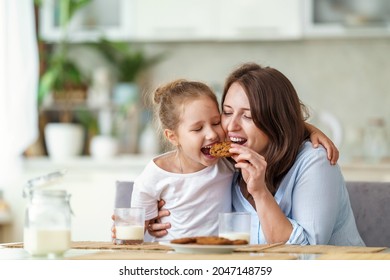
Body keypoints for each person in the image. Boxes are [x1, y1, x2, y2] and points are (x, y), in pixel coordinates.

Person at [147, 63, 364, 246]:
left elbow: (304, 254)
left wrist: (260, 192)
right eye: (227, 112)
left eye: (248, 117)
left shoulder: (316, 161)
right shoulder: (226, 164)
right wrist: (158, 220)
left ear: (274, 120)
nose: (231, 126)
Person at [127, 79, 235, 241]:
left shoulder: (229, 163)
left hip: (217, 256)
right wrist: (128, 229)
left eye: (216, 122)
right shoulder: (156, 174)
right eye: (198, 128)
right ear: (173, 137)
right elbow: (136, 230)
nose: (212, 134)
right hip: (172, 258)